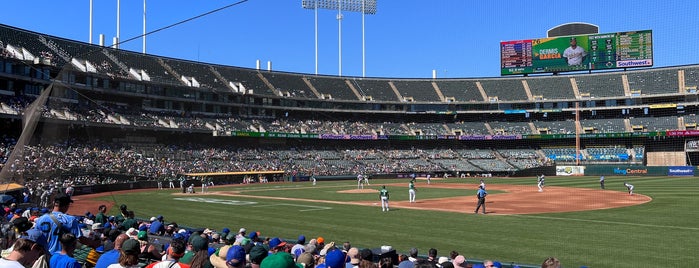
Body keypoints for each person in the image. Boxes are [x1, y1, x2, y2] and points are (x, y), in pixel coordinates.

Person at [33, 193, 99, 255]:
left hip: (44, 256)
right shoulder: (70, 219)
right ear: (66, 205)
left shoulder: (40, 219)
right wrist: (94, 243)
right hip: (61, 256)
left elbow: (35, 237)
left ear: (54, 203)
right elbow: (80, 239)